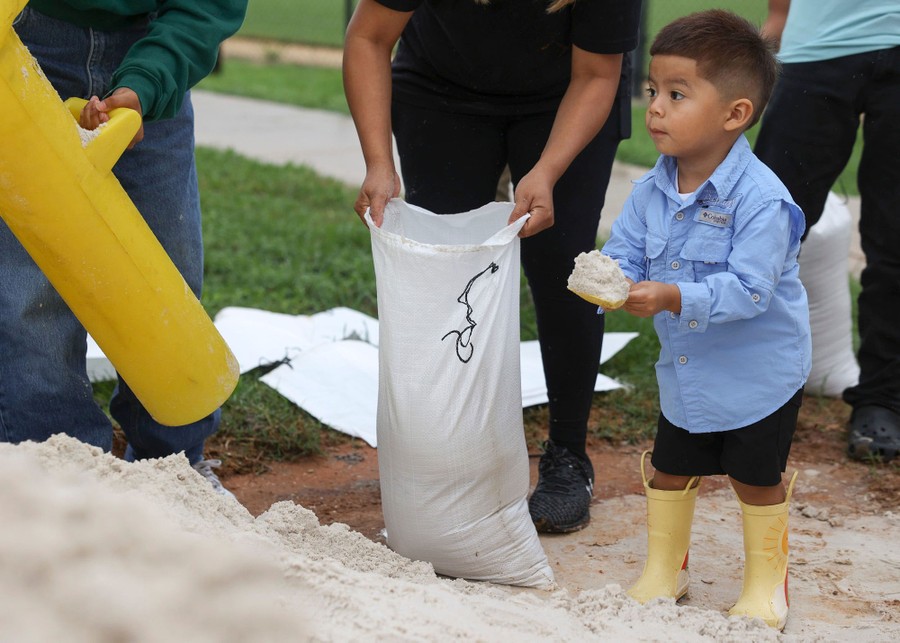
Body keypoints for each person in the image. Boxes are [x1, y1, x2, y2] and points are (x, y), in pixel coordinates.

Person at [343, 0, 642, 534]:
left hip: (565, 96)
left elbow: (598, 73)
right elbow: (368, 39)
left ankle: (568, 457)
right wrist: (378, 162)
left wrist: (546, 170)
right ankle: (450, 455)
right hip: (441, 89)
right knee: (448, 273)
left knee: (565, 271)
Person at [599, 10, 811, 630]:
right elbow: (624, 252)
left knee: (755, 476)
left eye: (677, 94)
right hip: (689, 371)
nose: (655, 108)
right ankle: (668, 569)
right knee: (671, 466)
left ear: (735, 113)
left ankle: (767, 582)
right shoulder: (650, 191)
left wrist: (671, 296)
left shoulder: (762, 200)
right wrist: (611, 280)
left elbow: (750, 290)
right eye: (652, 92)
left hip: (759, 373)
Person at [2, 0, 247, 496]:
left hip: (152, 40)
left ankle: (175, 467)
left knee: (166, 267)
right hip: (24, 43)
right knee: (30, 287)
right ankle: (59, 478)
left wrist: (146, 83)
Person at [754, 0, 900, 463]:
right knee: (766, 231)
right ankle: (746, 387)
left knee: (896, 242)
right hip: (814, 49)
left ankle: (883, 399)